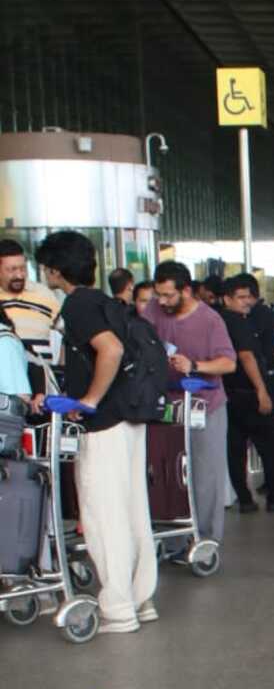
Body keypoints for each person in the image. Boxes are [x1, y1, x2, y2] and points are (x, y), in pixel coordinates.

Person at [32, 230, 157, 634]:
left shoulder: (78, 305)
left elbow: (111, 350)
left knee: (105, 514)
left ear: (53, 270)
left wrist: (88, 399)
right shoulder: (106, 302)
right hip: (129, 419)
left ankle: (118, 609)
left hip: (103, 424)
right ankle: (142, 598)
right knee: (133, 509)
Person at [144, 262, 236, 551]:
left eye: (169, 295)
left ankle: (206, 539)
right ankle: (172, 539)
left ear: (186, 291)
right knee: (168, 474)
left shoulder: (210, 320)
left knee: (205, 476)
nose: (162, 302)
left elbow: (228, 362)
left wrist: (194, 366)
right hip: (167, 407)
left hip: (205, 405)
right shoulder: (154, 312)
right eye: (159, 295)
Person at [221, 272, 274, 515]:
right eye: (240, 297)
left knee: (236, 448)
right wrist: (263, 392)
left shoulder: (219, 320)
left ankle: (245, 499)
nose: (246, 302)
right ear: (227, 299)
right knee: (270, 445)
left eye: (249, 297)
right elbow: (247, 356)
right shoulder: (238, 323)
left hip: (229, 395)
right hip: (249, 394)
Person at [0, 239, 62, 351]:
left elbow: (63, 334)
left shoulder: (45, 294)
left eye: (23, 268)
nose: (19, 275)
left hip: (45, 366)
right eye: (12, 270)